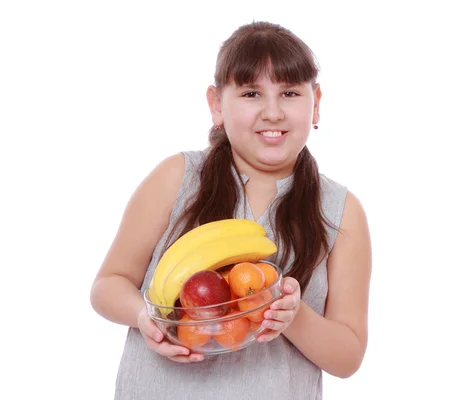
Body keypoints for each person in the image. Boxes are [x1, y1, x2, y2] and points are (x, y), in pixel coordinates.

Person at [90, 20, 372, 400]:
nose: (272, 112)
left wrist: (293, 315)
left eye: (289, 93)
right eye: (252, 93)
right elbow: (107, 285)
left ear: (316, 102)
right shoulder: (177, 178)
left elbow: (348, 356)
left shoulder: (340, 211)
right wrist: (145, 316)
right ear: (216, 104)